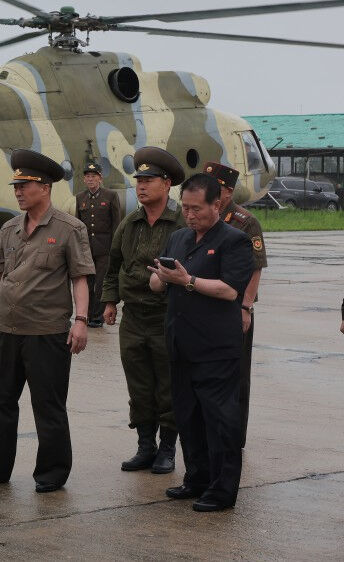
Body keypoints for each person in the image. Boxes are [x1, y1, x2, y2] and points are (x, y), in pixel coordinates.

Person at [0, 149, 94, 493]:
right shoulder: (9, 229)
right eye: (16, 185)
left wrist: (81, 320)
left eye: (25, 185)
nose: (18, 191)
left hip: (47, 333)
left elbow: (80, 277)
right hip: (9, 330)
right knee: (0, 400)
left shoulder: (70, 228)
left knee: (48, 405)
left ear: (45, 187)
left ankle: (51, 473)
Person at [149, 173, 254, 512]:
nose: (190, 215)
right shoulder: (178, 237)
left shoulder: (233, 240)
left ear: (216, 204)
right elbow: (158, 284)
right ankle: (196, 478)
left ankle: (222, 491)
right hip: (181, 344)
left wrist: (188, 280)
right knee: (188, 416)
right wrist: (160, 277)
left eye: (197, 209)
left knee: (219, 421)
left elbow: (229, 290)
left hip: (215, 348)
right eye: (186, 208)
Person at [101, 147, 186, 474]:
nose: (141, 186)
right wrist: (110, 301)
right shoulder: (130, 223)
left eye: (149, 180)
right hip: (134, 318)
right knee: (138, 385)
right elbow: (113, 265)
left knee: (167, 384)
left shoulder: (180, 222)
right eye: (139, 180)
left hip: (167, 316)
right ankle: (145, 446)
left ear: (166, 184)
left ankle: (167, 449)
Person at [202, 161, 267, 449]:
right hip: (203, 304)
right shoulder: (201, 217)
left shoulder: (244, 221)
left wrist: (246, 307)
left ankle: (234, 438)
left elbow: (256, 268)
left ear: (226, 191)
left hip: (233, 308)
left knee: (236, 376)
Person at [74, 161, 121, 327]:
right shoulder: (80, 198)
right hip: (87, 248)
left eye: (93, 176)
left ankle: (97, 317)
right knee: (87, 283)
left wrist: (115, 247)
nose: (90, 179)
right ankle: (86, 315)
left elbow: (117, 223)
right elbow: (78, 225)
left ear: (100, 178)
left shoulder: (110, 196)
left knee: (101, 283)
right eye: (87, 176)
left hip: (104, 248)